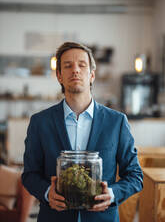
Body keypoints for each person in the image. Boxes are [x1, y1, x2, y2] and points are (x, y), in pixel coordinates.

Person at [22, 42, 143, 222]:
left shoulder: (117, 122)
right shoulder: (40, 122)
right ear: (59, 76)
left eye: (82, 65)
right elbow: (30, 174)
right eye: (68, 66)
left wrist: (111, 194)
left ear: (92, 75)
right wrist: (47, 193)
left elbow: (135, 175)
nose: (75, 70)